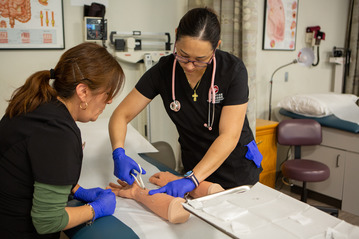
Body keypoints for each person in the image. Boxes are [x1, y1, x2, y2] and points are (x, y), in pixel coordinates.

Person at [109, 7, 263, 198]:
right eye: (183, 55)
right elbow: (121, 115)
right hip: (193, 168)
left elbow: (229, 136)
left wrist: (193, 180)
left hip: (235, 169)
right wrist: (119, 153)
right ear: (176, 36)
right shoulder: (163, 72)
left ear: (216, 47)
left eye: (200, 60)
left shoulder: (232, 71)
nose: (190, 66)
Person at [0, 42, 124, 238]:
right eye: (107, 94)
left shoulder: (36, 104)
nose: (109, 101)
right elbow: (48, 221)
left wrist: (77, 190)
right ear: (83, 92)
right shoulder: (59, 132)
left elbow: (34, 169)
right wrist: (96, 209)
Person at [107, 171, 224, 224]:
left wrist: (137, 192)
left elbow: (177, 209)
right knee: (219, 195)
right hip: (201, 167)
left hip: (230, 172)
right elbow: (217, 194)